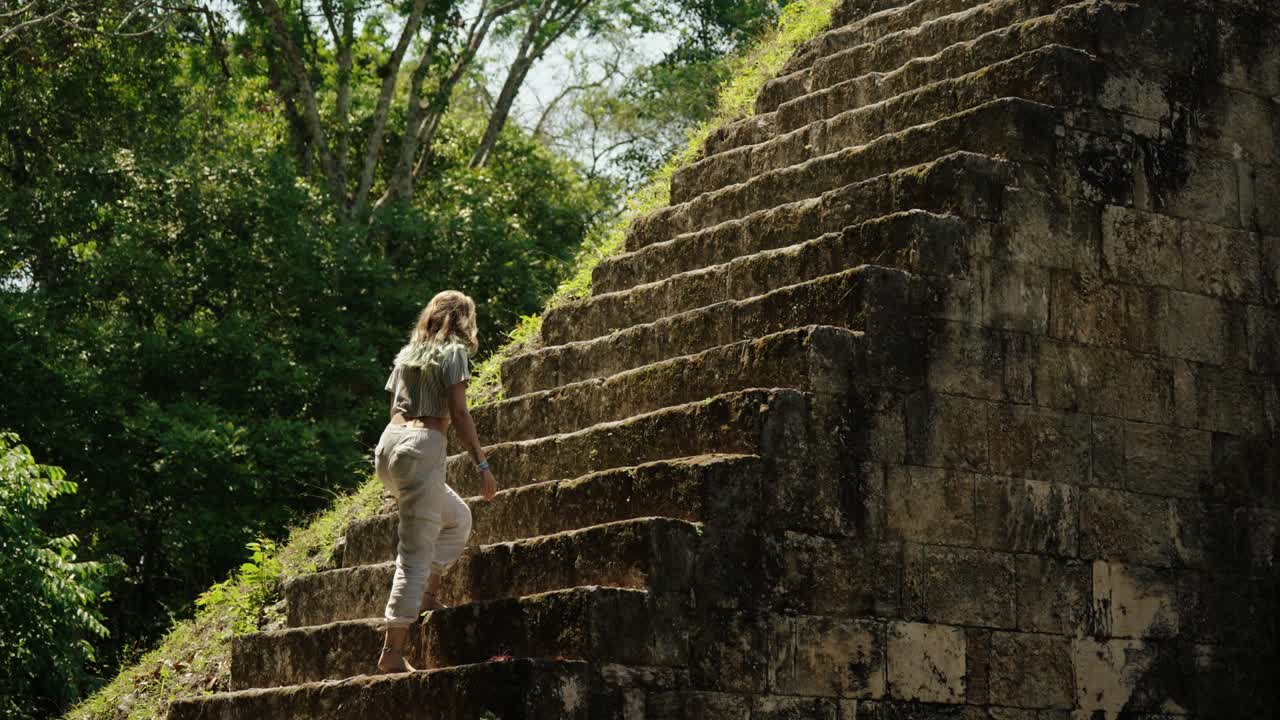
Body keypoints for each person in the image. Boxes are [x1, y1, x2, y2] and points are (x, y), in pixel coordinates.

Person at [372, 290, 498, 674]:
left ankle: (428, 595)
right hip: (421, 447)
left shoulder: (409, 353)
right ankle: (392, 652)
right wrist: (482, 464)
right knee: (414, 553)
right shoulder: (454, 353)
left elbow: (395, 406)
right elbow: (458, 412)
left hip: (390, 447)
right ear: (464, 320)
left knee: (457, 518)